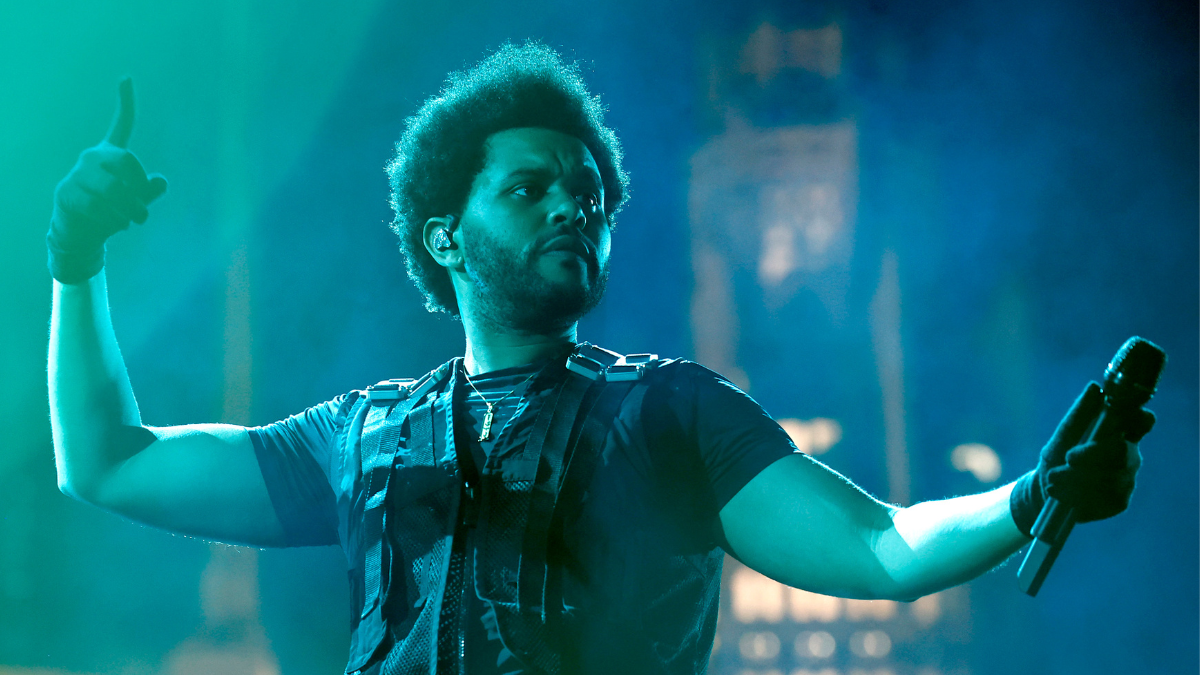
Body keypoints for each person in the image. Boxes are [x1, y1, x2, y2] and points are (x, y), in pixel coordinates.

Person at [47, 43, 1154, 675]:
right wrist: (77, 263)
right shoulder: (362, 435)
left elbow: (880, 545)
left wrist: (1028, 496)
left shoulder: (672, 413)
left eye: (588, 194)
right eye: (529, 188)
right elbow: (107, 462)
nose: (571, 207)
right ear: (445, 236)